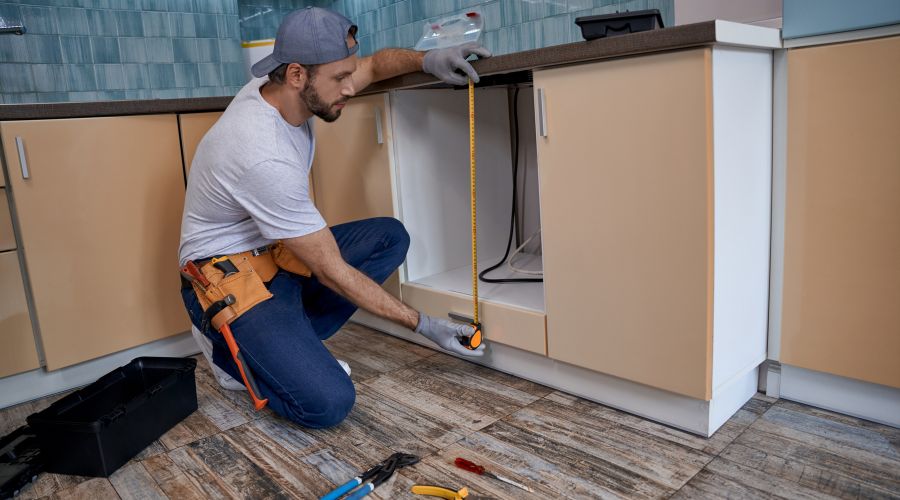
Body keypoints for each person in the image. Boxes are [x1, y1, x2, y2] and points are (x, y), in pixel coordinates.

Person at [178, 7, 490, 428]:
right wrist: (425, 326)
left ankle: (286, 345)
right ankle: (234, 354)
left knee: (388, 237)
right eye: (340, 79)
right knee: (327, 404)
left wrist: (428, 60)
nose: (351, 87)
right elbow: (332, 271)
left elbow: (374, 66)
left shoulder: (289, 88)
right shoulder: (260, 151)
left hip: (274, 255)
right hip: (224, 280)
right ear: (296, 75)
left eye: (348, 74)